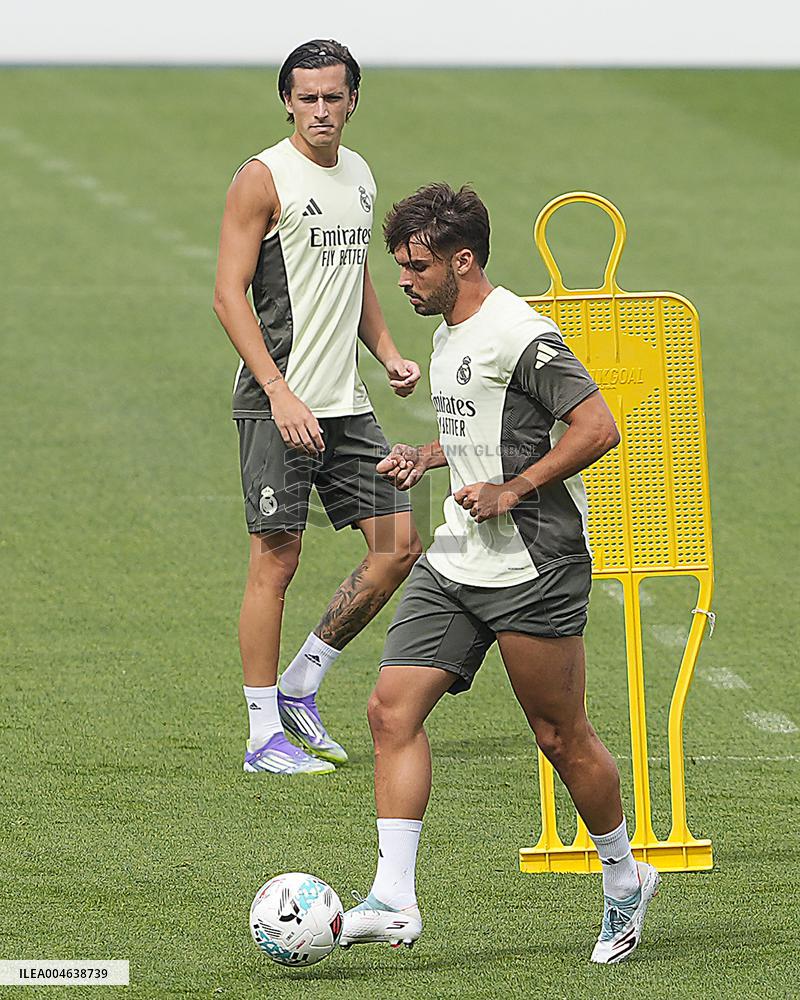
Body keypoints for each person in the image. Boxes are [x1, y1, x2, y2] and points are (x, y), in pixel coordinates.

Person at [339, 183, 659, 963]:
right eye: (400, 266)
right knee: (390, 711)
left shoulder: (521, 333)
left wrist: (514, 489)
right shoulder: (452, 329)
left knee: (558, 735)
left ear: (464, 260)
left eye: (416, 268)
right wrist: (428, 454)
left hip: (534, 562)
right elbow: (490, 428)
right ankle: (395, 898)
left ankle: (623, 877)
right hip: (459, 557)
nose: (404, 282)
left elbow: (598, 425)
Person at [213, 39, 422, 776]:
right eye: (309, 98)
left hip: (345, 402)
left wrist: (389, 351)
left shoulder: (359, 175)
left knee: (398, 544)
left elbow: (351, 270)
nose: (322, 110)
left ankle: (304, 682)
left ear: (354, 101)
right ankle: (263, 735)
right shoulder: (262, 178)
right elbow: (227, 294)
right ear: (288, 101)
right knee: (277, 559)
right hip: (277, 400)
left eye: (334, 97)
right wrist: (278, 390)